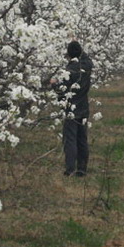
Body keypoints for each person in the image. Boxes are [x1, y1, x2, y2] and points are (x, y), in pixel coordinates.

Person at [51, 40, 93, 177]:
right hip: (84, 107)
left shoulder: (70, 70)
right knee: (82, 139)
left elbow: (61, 90)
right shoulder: (87, 65)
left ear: (69, 54)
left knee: (70, 139)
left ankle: (70, 169)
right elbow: (85, 56)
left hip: (71, 108)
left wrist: (53, 84)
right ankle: (82, 168)